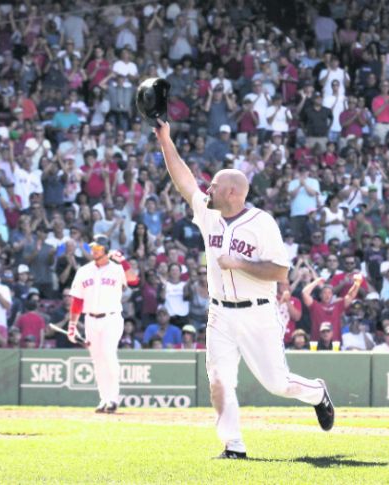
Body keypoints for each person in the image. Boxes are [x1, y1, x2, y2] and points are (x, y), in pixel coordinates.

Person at [153, 119, 334, 460]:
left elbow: (281, 270)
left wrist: (240, 263)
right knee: (220, 379)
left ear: (232, 192)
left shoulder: (262, 222)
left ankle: (317, 392)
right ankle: (233, 445)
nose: (208, 190)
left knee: (277, 383)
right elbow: (184, 182)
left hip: (257, 311)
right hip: (220, 311)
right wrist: (166, 141)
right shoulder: (208, 214)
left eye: (215, 186)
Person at [68, 235, 139, 413]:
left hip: (112, 318)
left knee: (108, 354)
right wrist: (72, 325)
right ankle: (104, 399)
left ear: (106, 249)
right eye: (93, 248)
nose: (94, 251)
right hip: (90, 319)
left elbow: (134, 281)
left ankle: (113, 399)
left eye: (98, 248)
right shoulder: (84, 270)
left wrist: (123, 261)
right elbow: (77, 300)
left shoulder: (116, 269)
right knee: (97, 360)